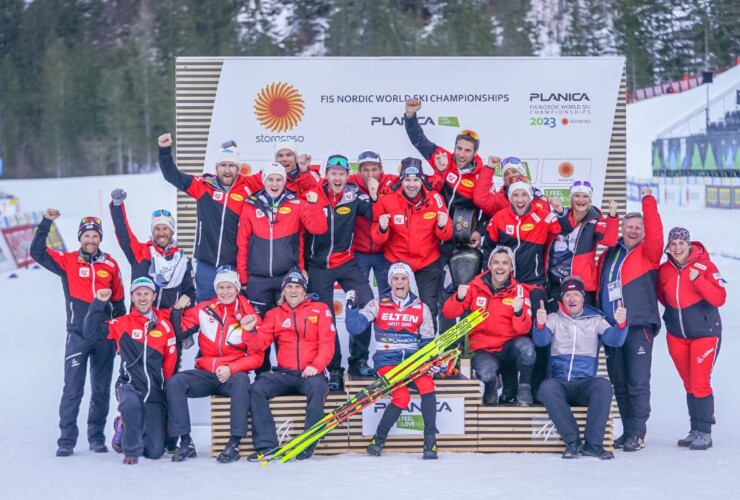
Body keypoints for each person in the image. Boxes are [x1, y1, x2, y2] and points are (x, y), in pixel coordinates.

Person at [31, 209, 126, 457]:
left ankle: (96, 437)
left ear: (100, 239)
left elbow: (119, 305)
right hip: (78, 336)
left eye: (95, 236)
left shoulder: (111, 264)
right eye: (87, 236)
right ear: (80, 238)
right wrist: (46, 222)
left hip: (104, 337)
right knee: (73, 388)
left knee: (101, 389)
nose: (91, 240)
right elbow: (37, 252)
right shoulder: (68, 261)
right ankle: (66, 440)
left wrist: (119, 336)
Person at [236, 162, 327, 371]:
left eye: (279, 179)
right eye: (270, 179)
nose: (274, 183)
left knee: (289, 329)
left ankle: (287, 371)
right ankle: (262, 376)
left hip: (287, 279)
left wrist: (314, 204)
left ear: (284, 182)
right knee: (259, 329)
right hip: (258, 279)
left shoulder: (296, 203)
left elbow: (319, 228)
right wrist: (243, 278)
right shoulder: (251, 204)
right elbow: (242, 243)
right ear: (264, 181)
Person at [482, 175, 566, 402]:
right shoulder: (500, 218)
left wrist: (559, 211)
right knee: (507, 336)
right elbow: (487, 250)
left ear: (531, 197)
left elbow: (563, 227)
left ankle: (533, 388)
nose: (520, 199)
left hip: (534, 286)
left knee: (538, 339)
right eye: (515, 195)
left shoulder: (542, 216)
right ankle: (509, 389)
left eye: (524, 195)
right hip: (506, 287)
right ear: (510, 198)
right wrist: (485, 281)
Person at [167, 267, 263, 463]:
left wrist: (231, 369)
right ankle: (186, 442)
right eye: (221, 287)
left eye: (229, 287)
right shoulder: (203, 309)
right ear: (215, 289)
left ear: (237, 289)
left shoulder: (250, 314)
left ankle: (234, 443)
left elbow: (257, 356)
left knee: (242, 381)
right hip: (207, 372)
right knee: (175, 383)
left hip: (232, 374)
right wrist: (177, 311)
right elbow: (179, 333)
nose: (225, 292)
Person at [345, 262, 439, 459]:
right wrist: (351, 308)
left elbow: (428, 342)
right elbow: (355, 328)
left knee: (428, 386)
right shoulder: (377, 304)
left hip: (413, 363)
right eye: (395, 278)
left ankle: (430, 443)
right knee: (402, 397)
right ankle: (378, 440)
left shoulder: (421, 308)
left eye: (403, 278)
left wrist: (429, 362)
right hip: (388, 362)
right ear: (390, 282)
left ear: (409, 281)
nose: (399, 282)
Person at [82, 278, 179, 464]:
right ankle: (130, 451)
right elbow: (90, 332)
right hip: (128, 385)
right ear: (132, 297)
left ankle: (124, 425)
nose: (143, 298)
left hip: (153, 391)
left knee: (155, 451)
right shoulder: (121, 323)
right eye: (138, 294)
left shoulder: (165, 326)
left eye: (147, 294)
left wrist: (166, 390)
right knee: (131, 405)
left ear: (154, 296)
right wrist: (98, 303)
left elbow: (170, 362)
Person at [597, 187, 664, 452]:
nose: (633, 230)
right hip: (613, 328)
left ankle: (638, 432)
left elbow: (657, 234)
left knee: (637, 382)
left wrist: (648, 201)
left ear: (644, 231)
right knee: (620, 383)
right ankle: (627, 431)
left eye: (639, 227)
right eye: (629, 226)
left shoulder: (649, 254)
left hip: (638, 326)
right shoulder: (610, 253)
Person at [533, 276, 628, 460]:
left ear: (583, 297)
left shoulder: (596, 319)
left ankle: (593, 445)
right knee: (546, 387)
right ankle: (573, 442)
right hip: (560, 383)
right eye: (567, 295)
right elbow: (541, 340)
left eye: (576, 294)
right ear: (562, 299)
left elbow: (614, 340)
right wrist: (540, 323)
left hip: (584, 383)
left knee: (603, 386)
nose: (572, 299)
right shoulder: (553, 318)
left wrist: (622, 324)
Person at [305, 154, 378, 388]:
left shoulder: (355, 193)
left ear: (348, 176)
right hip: (318, 266)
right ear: (326, 174)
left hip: (347, 263)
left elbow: (373, 214)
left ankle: (358, 361)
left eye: (342, 174)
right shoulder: (315, 191)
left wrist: (375, 196)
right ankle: (333, 368)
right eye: (333, 173)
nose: (337, 177)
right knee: (326, 318)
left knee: (367, 304)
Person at [249, 270, 335, 461]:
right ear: (283, 291)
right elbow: (259, 344)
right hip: (285, 373)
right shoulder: (274, 314)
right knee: (257, 388)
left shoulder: (320, 309)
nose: (293, 291)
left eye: (298, 287)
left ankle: (308, 441)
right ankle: (267, 445)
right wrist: (248, 332)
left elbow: (328, 343)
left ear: (305, 291)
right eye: (289, 286)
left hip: (311, 372)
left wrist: (317, 365)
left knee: (317, 388)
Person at [157, 132, 252, 302]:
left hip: (233, 264)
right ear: (216, 168)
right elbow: (172, 176)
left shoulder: (247, 189)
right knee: (205, 309)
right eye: (223, 165)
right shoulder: (203, 186)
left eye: (231, 165)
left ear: (238, 169)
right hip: (206, 263)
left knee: (232, 311)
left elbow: (277, 178)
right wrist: (164, 151)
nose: (227, 170)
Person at [657, 227, 727, 450]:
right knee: (689, 384)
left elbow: (719, 298)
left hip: (705, 335)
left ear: (689, 245)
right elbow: (663, 297)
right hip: (677, 335)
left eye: (681, 243)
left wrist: (698, 280)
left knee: (700, 383)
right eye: (673, 244)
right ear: (668, 247)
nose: (677, 248)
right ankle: (694, 429)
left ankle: (705, 432)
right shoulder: (664, 270)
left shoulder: (705, 266)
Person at [442, 246, 535, 406]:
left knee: (527, 349)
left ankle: (524, 388)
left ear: (511, 267)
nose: (500, 267)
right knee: (486, 372)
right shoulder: (475, 286)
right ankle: (491, 387)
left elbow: (523, 329)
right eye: (496, 262)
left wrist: (519, 312)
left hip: (508, 347)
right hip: (483, 347)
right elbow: (449, 313)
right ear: (489, 265)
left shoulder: (519, 290)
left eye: (505, 263)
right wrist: (458, 297)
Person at [372, 157, 453, 330]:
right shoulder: (387, 199)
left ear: (422, 180)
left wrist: (441, 225)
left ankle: (428, 353)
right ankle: (393, 350)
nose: (411, 184)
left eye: (416, 179)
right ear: (401, 180)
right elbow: (377, 238)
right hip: (397, 261)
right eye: (407, 179)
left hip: (427, 262)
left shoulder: (435, 199)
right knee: (393, 309)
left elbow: (446, 235)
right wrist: (383, 228)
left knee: (429, 308)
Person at [109, 188, 195, 310]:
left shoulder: (182, 260)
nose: (161, 233)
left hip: (169, 321)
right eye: (157, 229)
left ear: (172, 231)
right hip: (141, 319)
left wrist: (185, 324)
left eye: (165, 228)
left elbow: (189, 293)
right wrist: (117, 206)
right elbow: (124, 234)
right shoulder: (140, 252)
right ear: (152, 231)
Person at [547, 181, 619, 306]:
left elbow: (610, 241)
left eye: (585, 196)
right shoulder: (558, 216)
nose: (581, 200)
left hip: (582, 285)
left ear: (590, 199)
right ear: (570, 198)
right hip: (555, 283)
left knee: (583, 324)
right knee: (555, 322)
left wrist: (612, 216)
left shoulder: (596, 220)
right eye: (577, 195)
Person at [348, 150, 398, 286]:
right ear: (358, 170)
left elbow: (418, 184)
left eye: (374, 169)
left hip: (385, 252)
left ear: (381, 169)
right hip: (359, 252)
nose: (370, 175)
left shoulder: (392, 182)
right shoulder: (350, 183)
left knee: (386, 296)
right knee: (359, 296)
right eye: (365, 170)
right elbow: (323, 184)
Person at [474, 156, 549, 217]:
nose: (510, 175)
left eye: (514, 171)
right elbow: (480, 199)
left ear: (523, 174)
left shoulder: (540, 199)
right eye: (506, 174)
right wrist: (489, 168)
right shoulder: (500, 200)